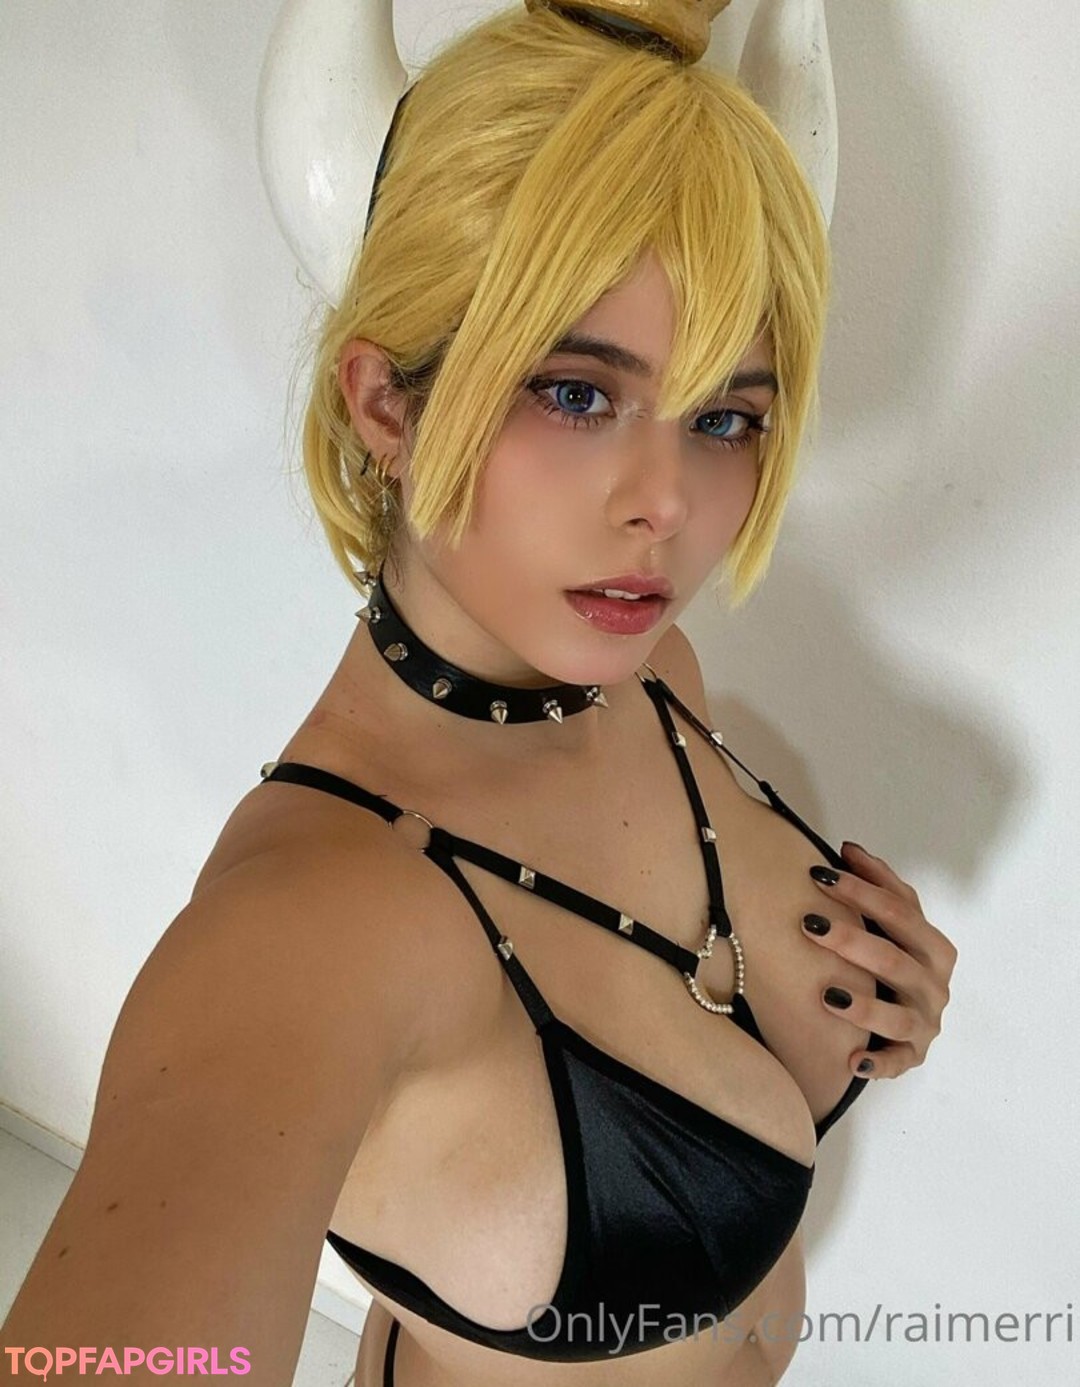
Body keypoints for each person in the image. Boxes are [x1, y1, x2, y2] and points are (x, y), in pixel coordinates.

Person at [1, 2, 956, 1384]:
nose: (667, 505)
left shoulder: (655, 680)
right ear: (386, 405)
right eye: (575, 394)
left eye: (724, 418)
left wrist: (872, 1013)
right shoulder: (309, 936)